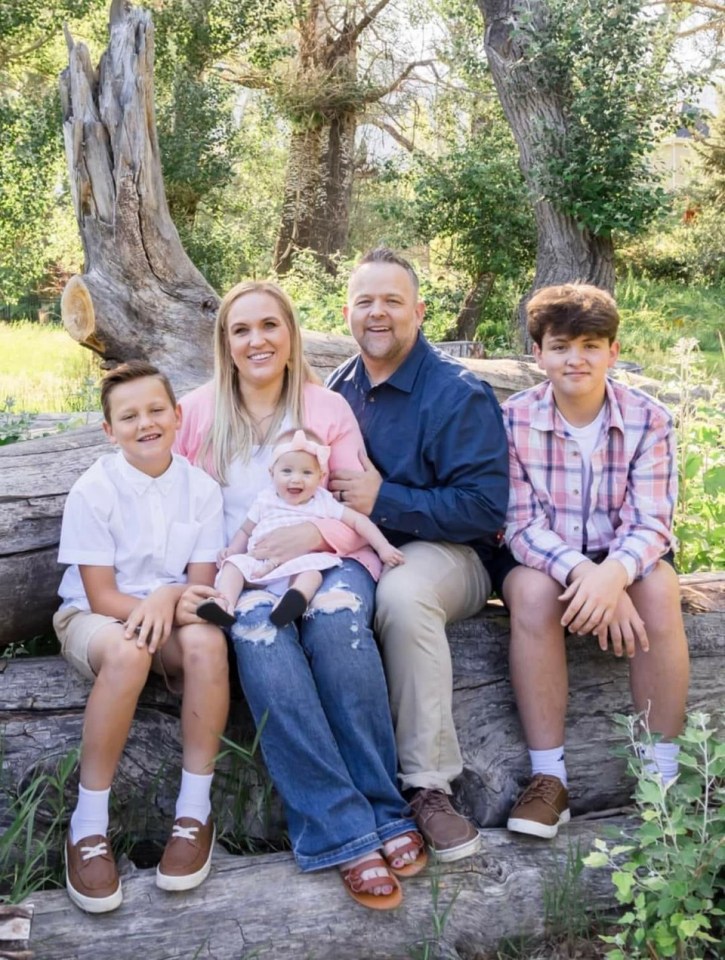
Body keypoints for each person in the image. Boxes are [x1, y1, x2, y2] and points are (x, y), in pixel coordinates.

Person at [173, 280, 425, 910]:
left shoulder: (326, 410)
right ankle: (342, 830)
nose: (256, 340)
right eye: (241, 330)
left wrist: (313, 530)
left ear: (290, 335)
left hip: (335, 557)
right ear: (225, 343)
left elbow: (355, 506)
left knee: (336, 627)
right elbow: (178, 512)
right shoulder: (197, 415)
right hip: (249, 568)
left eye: (269, 326)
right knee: (261, 638)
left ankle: (385, 809)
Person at [326, 248, 509, 862]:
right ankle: (347, 790)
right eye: (364, 301)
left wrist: (387, 498)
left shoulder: (459, 394)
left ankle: (428, 787)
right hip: (357, 550)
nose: (377, 314)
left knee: (403, 597)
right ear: (348, 312)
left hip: (451, 556)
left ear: (420, 312)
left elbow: (485, 509)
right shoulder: (338, 387)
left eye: (392, 301)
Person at [496, 282, 689, 839]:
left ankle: (662, 774)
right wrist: (584, 575)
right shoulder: (512, 419)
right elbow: (518, 524)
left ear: (613, 349)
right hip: (546, 558)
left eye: (589, 345)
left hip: (625, 553)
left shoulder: (649, 419)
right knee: (531, 594)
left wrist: (613, 575)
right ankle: (549, 779)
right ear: (538, 354)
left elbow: (652, 522)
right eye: (559, 346)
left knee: (658, 591)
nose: (574, 359)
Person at [53, 361, 229, 914]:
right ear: (109, 431)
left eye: (156, 410)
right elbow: (101, 596)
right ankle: (87, 826)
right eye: (128, 416)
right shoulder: (95, 489)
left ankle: (193, 812)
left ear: (178, 417)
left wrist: (165, 598)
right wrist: (156, 599)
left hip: (172, 618)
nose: (145, 423)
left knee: (208, 643)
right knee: (129, 653)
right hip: (95, 620)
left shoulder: (201, 490)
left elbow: (199, 595)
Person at [197, 427, 405, 630]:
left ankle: (293, 600)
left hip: (297, 563)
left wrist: (383, 547)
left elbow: (360, 522)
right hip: (259, 564)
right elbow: (245, 530)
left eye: (307, 472)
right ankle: (224, 604)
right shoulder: (266, 499)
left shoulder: (322, 501)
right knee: (233, 566)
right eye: (287, 471)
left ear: (320, 475)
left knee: (311, 574)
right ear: (272, 472)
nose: (296, 478)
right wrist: (233, 551)